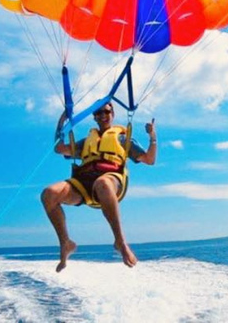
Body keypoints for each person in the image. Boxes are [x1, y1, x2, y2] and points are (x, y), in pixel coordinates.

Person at [41, 102, 157, 272]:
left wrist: (153, 137)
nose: (103, 115)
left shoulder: (122, 138)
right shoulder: (88, 140)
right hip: (83, 184)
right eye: (98, 113)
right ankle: (65, 243)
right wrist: (61, 123)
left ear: (113, 114)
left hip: (111, 181)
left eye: (106, 112)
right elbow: (59, 149)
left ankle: (120, 241)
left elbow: (149, 159)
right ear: (94, 117)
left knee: (102, 183)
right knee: (49, 194)